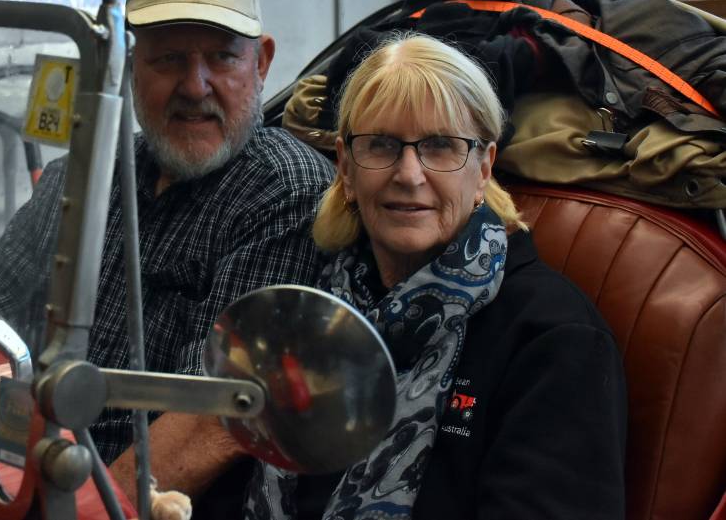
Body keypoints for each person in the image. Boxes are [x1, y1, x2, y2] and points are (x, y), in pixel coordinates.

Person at [0, 0, 334, 499]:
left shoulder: (284, 193)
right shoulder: (82, 176)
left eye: (222, 58)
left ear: (263, 63)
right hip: (6, 471)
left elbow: (215, 411)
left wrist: (84, 512)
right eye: (169, 59)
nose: (195, 86)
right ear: (132, 67)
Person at [244, 34, 627, 519]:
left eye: (441, 146)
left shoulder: (555, 338)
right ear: (344, 167)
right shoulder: (310, 311)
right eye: (381, 144)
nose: (409, 173)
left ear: (483, 167)